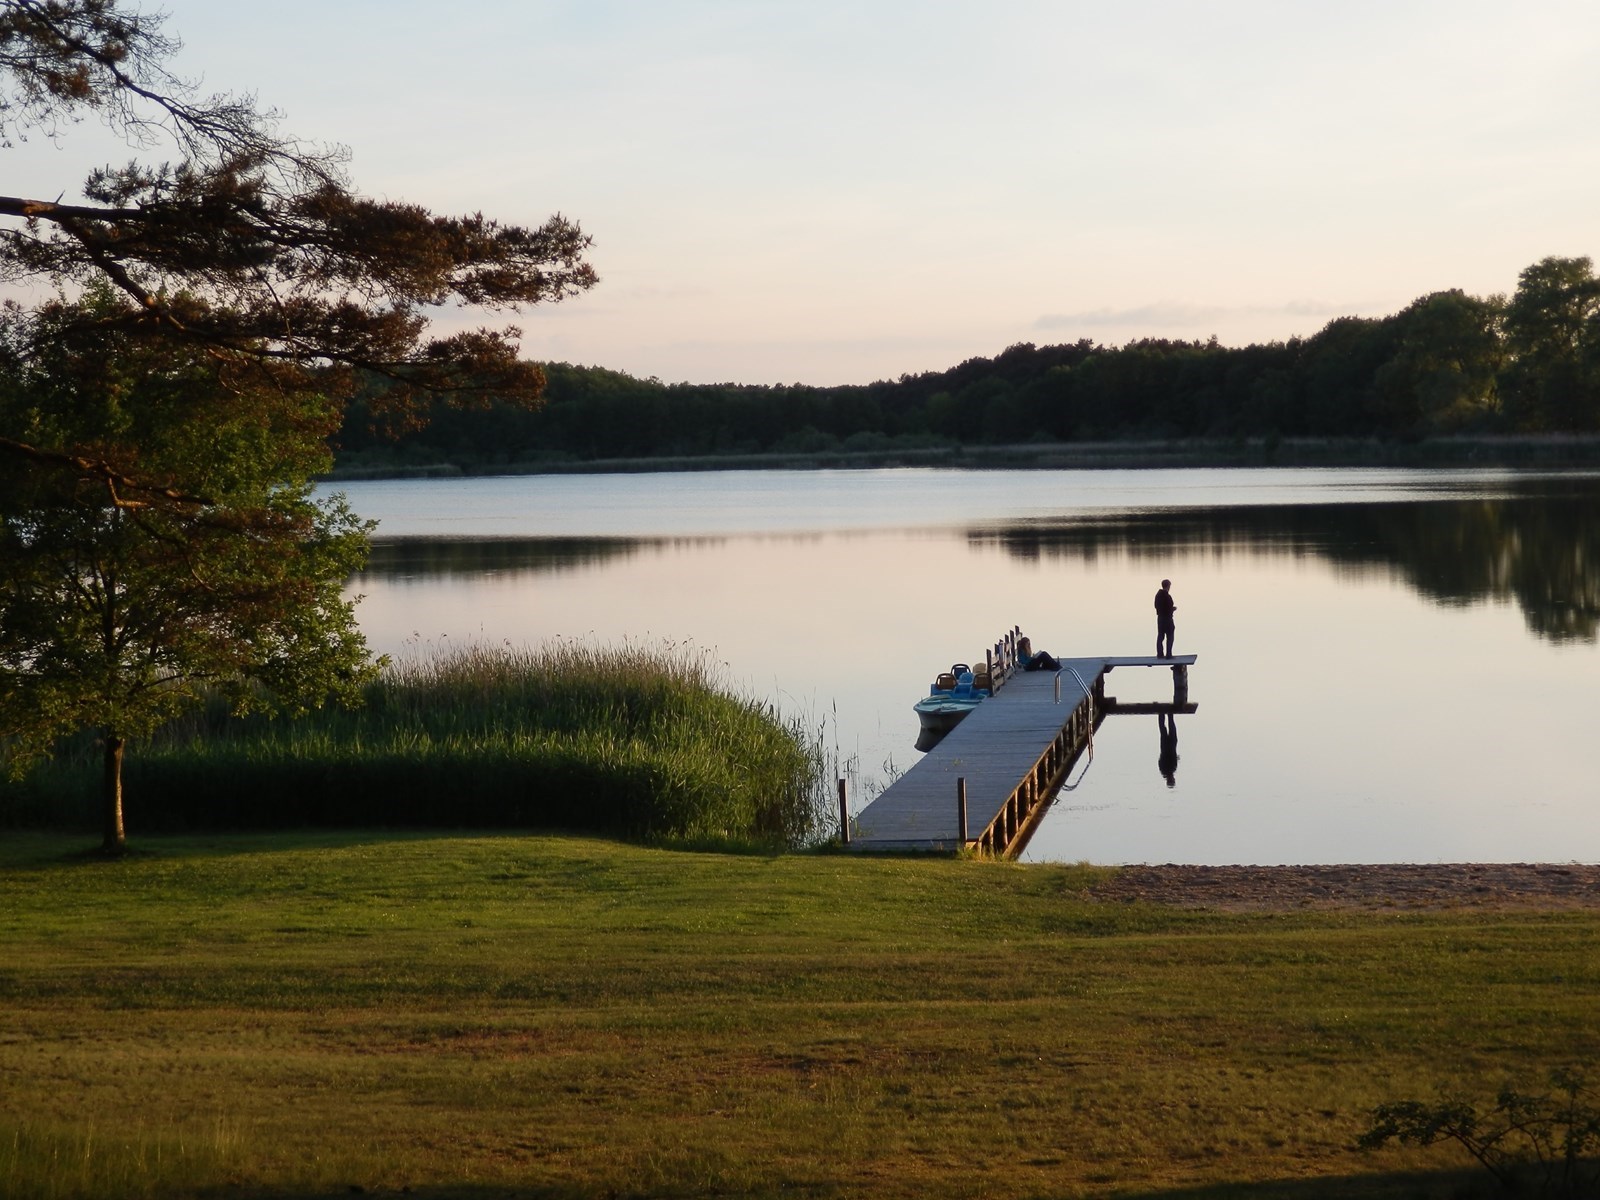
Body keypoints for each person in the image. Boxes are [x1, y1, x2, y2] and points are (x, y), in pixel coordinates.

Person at [1153, 578, 1176, 658]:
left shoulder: (1158, 595)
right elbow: (1169, 608)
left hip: (1160, 619)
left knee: (1160, 636)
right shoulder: (1167, 596)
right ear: (1168, 586)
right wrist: (1173, 609)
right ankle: (1168, 655)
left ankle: (1160, 654)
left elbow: (1156, 606)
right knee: (1170, 636)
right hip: (1168, 619)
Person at [1157, 711, 1179, 788]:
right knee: (1170, 728)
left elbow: (1160, 760)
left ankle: (1161, 713)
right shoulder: (1172, 769)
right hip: (1171, 746)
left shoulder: (1165, 771)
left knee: (1163, 730)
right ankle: (1168, 714)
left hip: (1166, 747)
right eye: (1173, 780)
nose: (1172, 778)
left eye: (1171, 780)